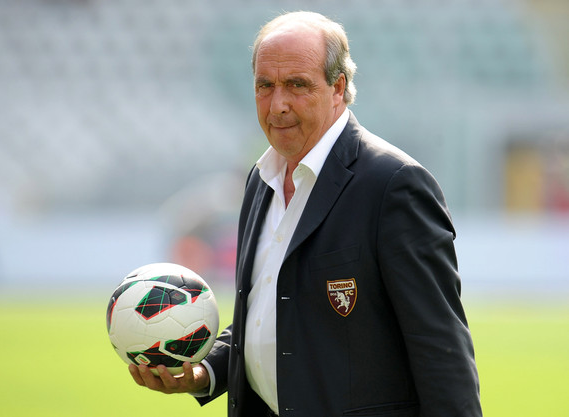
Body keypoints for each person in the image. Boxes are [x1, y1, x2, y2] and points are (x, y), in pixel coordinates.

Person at [129, 11, 482, 417]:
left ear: (338, 88)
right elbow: (268, 311)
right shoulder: (261, 179)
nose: (278, 105)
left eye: (297, 85)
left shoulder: (394, 185)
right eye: (265, 86)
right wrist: (205, 371)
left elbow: (440, 348)